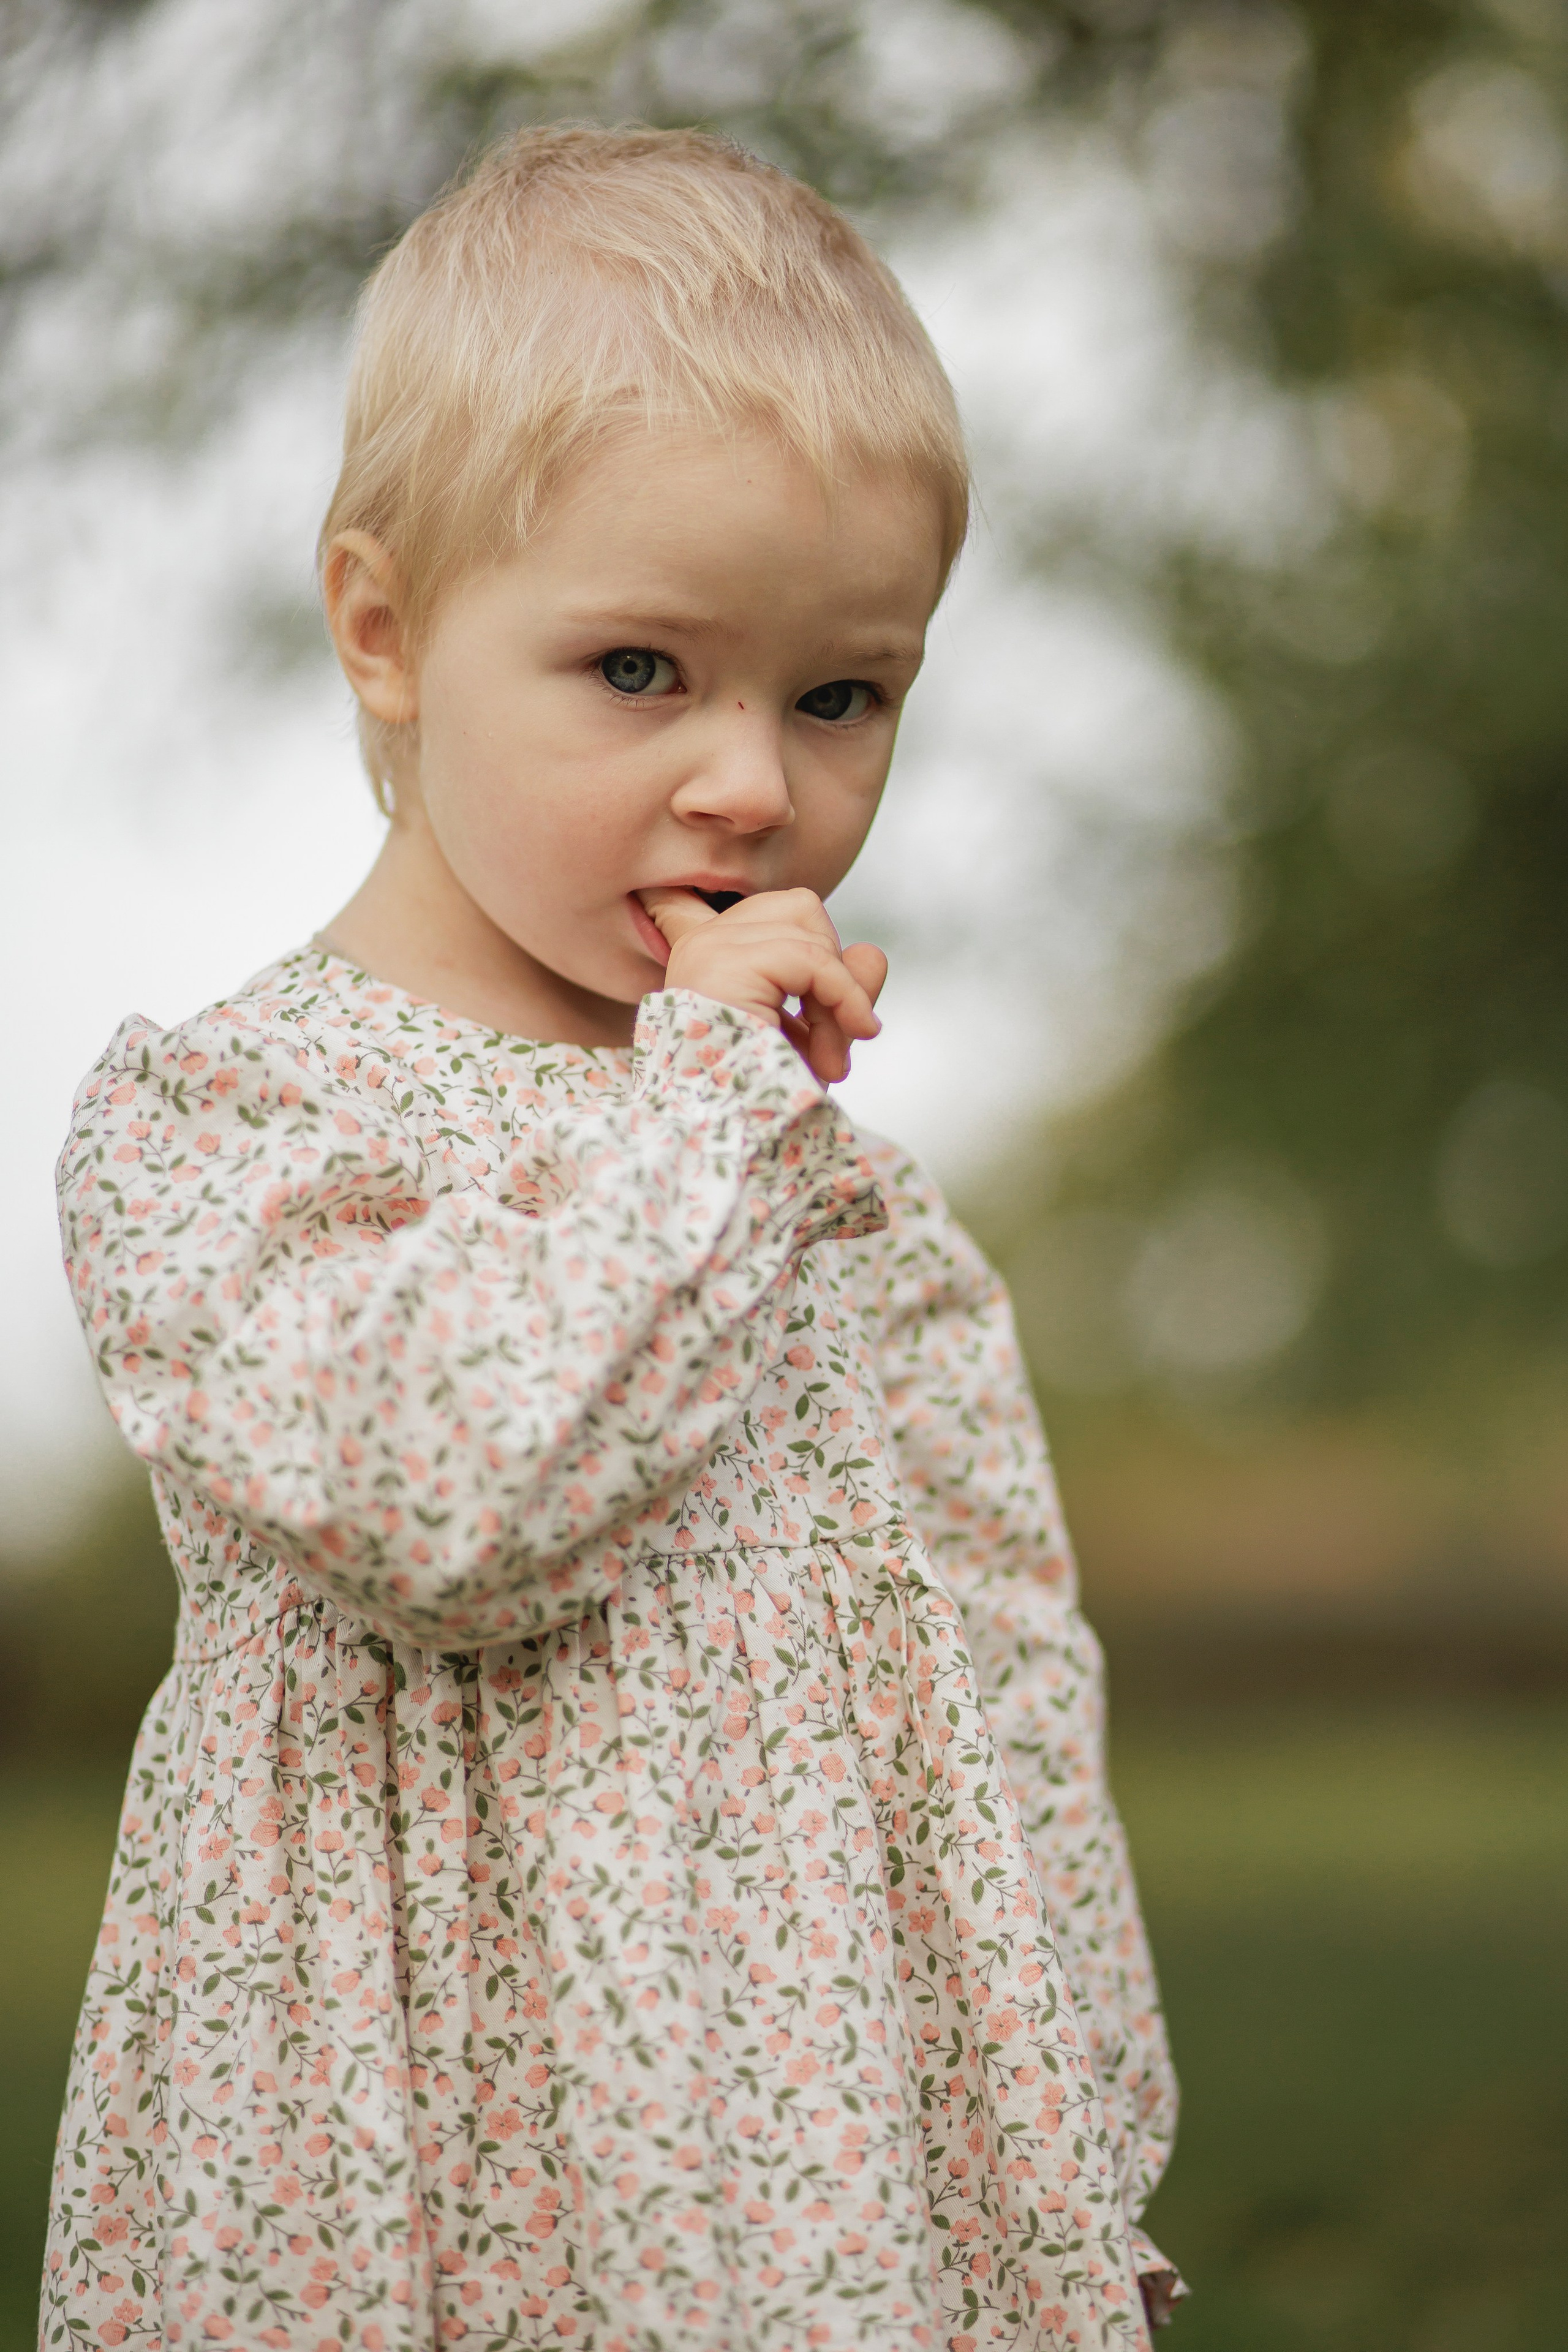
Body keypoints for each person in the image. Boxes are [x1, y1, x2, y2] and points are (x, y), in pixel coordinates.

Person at [46, 126, 1182, 2352]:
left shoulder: (819, 1186)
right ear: (385, 628)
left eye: (840, 693)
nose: (754, 785)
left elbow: (1009, 1682)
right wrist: (707, 1103)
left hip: (828, 2150)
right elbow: (457, 1502)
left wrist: (1083, 2160)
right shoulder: (233, 1122)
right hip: (416, 2154)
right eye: (642, 670)